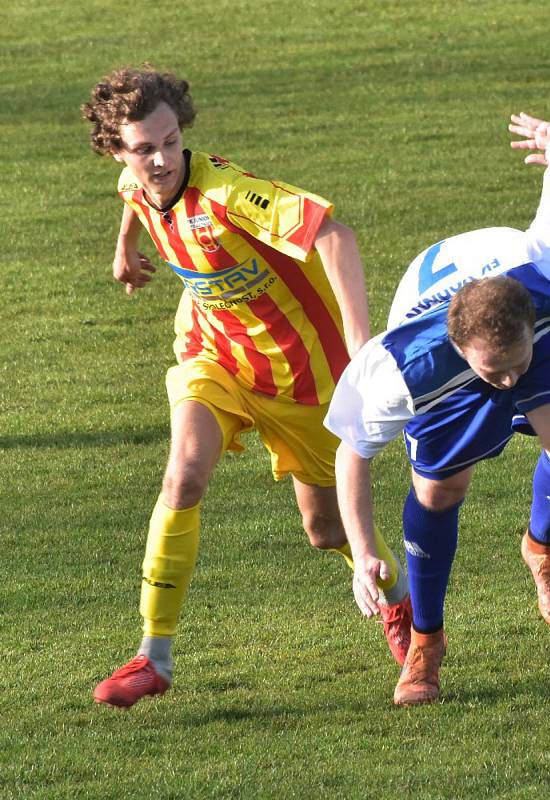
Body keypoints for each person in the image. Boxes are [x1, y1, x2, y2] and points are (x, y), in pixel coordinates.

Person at [82, 65, 411, 708]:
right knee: (183, 475)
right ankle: (155, 654)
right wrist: (126, 250)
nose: (161, 160)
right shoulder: (135, 180)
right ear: (117, 150)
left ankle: (400, 606)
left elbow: (335, 236)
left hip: (305, 380)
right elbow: (132, 197)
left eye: (171, 141)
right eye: (143, 148)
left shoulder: (231, 194)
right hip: (216, 358)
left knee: (326, 531)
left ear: (183, 131)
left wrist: (361, 344)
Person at [324, 113, 550, 706]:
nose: (508, 381)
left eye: (516, 365)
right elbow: (352, 452)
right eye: (493, 371)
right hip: (439, 341)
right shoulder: (400, 372)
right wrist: (364, 548)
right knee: (439, 493)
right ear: (460, 349)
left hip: (534, 318)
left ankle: (541, 549)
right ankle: (427, 641)